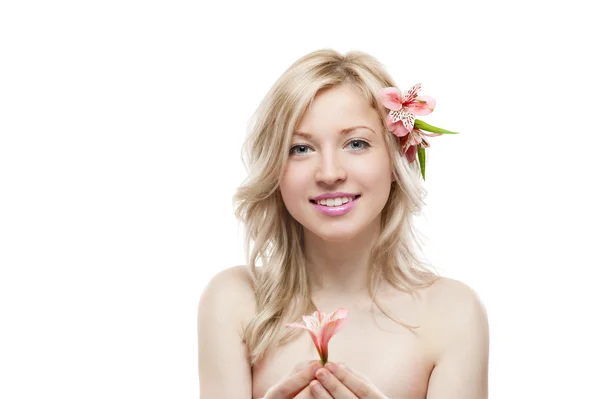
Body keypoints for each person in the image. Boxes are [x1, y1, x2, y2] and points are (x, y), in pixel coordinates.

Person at [197, 48, 489, 399]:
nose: (330, 173)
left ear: (395, 162)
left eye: (356, 143)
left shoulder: (452, 313)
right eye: (301, 149)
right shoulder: (236, 302)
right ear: (275, 170)